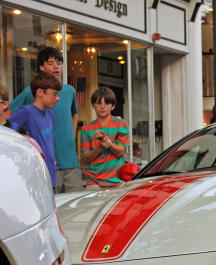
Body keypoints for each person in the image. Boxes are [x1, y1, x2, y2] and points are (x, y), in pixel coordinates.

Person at [9, 47, 83, 193]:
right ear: (42, 67)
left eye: (59, 62)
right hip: (45, 165)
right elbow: (9, 116)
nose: (56, 66)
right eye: (50, 63)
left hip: (70, 162)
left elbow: (74, 114)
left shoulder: (70, 91)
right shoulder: (32, 93)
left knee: (75, 209)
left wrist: (71, 137)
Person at [7, 72, 60, 188]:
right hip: (35, 178)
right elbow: (7, 134)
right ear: (40, 92)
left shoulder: (50, 114)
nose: (57, 98)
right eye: (54, 94)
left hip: (50, 174)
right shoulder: (26, 112)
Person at [80, 87, 129, 189]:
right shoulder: (86, 128)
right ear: (93, 105)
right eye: (98, 103)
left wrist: (107, 142)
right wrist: (100, 147)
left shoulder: (121, 124)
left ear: (113, 106)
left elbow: (121, 152)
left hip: (117, 180)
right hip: (93, 181)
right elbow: (85, 158)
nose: (102, 107)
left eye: (106, 103)